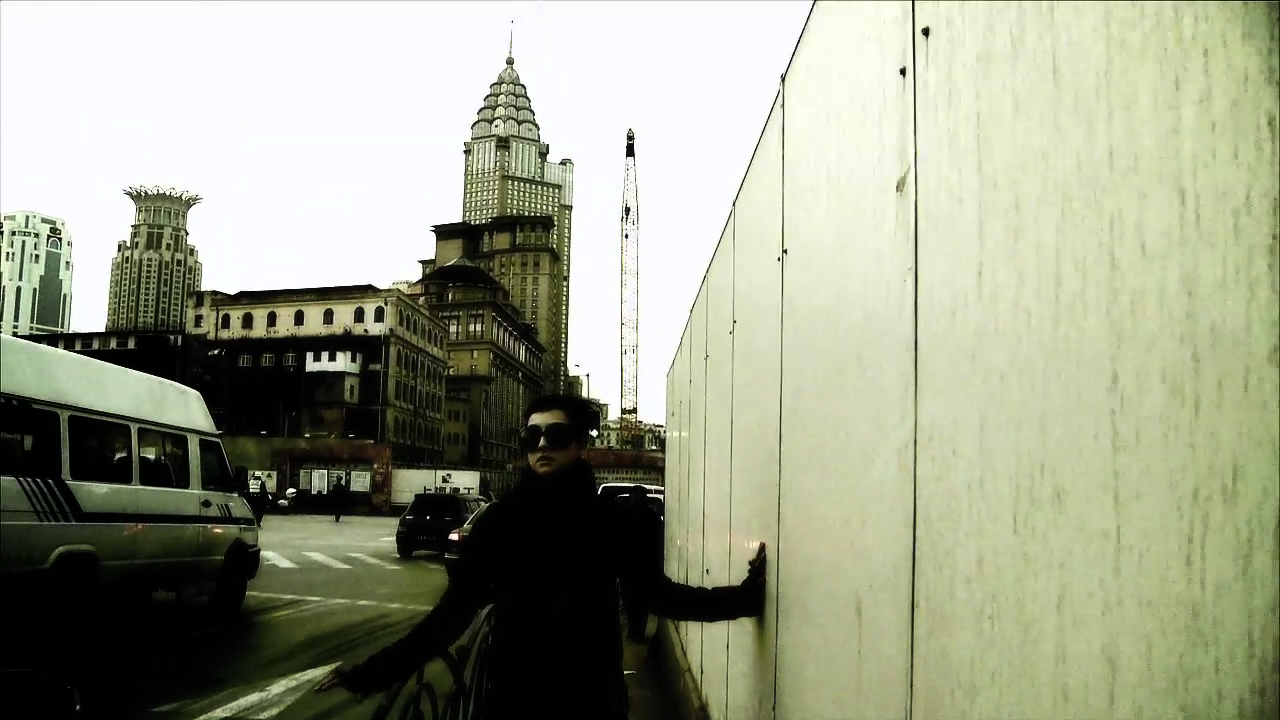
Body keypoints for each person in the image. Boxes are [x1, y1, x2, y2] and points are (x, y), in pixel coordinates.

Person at [317, 394, 767, 719]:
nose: (542, 445)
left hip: (592, 698)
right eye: (532, 436)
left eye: (556, 434)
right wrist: (369, 674)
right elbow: (449, 618)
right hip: (515, 698)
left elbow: (657, 596)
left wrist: (744, 599)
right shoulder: (500, 523)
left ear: (581, 446)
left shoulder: (611, 520)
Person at [621, 484, 663, 641]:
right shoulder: (652, 517)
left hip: (629, 567)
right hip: (645, 567)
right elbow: (659, 543)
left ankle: (634, 631)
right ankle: (637, 632)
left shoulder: (624, 516)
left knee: (631, 601)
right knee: (642, 602)